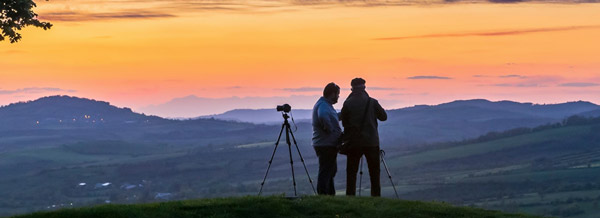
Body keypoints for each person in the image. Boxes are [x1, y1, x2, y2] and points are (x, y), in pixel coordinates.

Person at [341, 78, 387, 197]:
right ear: (364, 88)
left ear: (352, 88)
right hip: (371, 142)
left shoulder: (348, 103)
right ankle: (376, 197)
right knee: (374, 172)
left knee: (351, 172)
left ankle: (350, 196)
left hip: (354, 143)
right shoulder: (372, 102)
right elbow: (383, 117)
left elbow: (344, 122)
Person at [312, 82, 342, 195]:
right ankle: (323, 195)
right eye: (337, 94)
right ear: (332, 94)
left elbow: (330, 117)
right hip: (325, 144)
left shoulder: (326, 105)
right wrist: (329, 129)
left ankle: (329, 194)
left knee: (330, 170)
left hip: (326, 144)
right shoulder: (324, 105)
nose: (338, 96)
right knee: (326, 171)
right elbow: (323, 116)